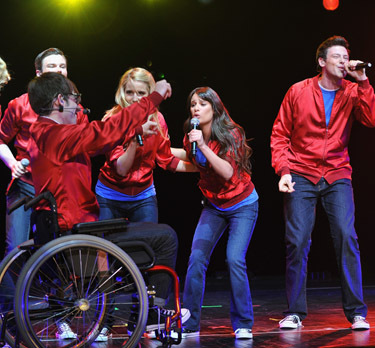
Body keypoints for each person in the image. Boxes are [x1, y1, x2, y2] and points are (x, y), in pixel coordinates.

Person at [26, 72, 178, 341]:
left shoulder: (43, 131)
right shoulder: (56, 135)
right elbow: (103, 132)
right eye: (75, 100)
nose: (79, 107)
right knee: (165, 237)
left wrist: (135, 130)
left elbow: (99, 142)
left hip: (72, 226)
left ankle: (140, 312)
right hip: (81, 231)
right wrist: (153, 98)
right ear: (60, 101)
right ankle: (154, 315)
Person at [270, 36, 375, 331]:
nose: (345, 61)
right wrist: (284, 171)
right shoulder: (298, 91)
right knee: (297, 241)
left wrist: (364, 83)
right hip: (301, 173)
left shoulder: (352, 91)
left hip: (337, 173)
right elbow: (280, 135)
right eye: (338, 57)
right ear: (322, 62)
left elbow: (373, 120)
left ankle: (357, 312)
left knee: (347, 236)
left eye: (347, 57)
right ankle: (295, 312)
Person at [178, 87, 258, 340]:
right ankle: (190, 322)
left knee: (234, 259)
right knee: (196, 259)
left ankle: (243, 323)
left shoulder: (232, 133)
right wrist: (160, 153)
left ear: (214, 107)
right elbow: (195, 164)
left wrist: (202, 144)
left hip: (242, 204)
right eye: (192, 104)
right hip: (214, 205)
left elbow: (226, 172)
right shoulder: (191, 136)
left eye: (202, 104)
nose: (195, 109)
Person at [0, 48, 88, 257]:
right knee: (16, 248)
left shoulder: (75, 108)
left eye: (62, 66)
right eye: (52, 66)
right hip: (26, 186)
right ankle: (13, 291)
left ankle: (58, 290)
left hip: (59, 191)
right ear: (39, 72)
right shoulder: (19, 105)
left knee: (60, 250)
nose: (58, 70)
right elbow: (1, 139)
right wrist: (13, 163)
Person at [95, 67, 196, 224]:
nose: (135, 99)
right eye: (129, 92)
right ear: (122, 93)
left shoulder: (158, 119)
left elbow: (166, 159)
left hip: (143, 196)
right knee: (104, 247)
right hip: (110, 196)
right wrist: (136, 136)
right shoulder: (112, 119)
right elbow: (121, 169)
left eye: (141, 93)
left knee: (147, 245)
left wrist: (201, 167)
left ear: (150, 94)